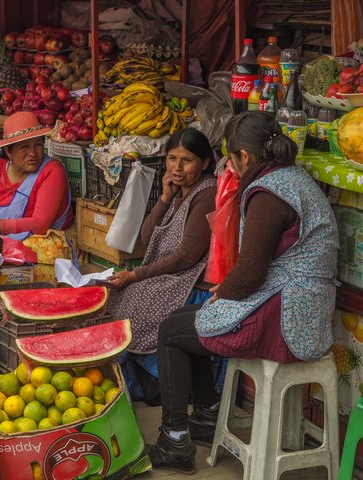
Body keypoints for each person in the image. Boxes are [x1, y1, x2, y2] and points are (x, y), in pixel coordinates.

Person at [147, 110, 339, 474]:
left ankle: (174, 440)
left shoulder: (269, 193)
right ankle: (204, 417)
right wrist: (225, 291)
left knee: (172, 332)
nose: (229, 168)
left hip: (289, 318)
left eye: (230, 160)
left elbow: (250, 274)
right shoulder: (289, 177)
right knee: (181, 320)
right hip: (295, 303)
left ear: (245, 157)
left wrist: (223, 291)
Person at [105, 129, 217, 404]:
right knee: (118, 297)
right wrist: (165, 198)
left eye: (186, 161)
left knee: (136, 303)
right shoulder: (179, 192)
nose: (176, 168)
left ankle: (151, 381)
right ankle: (124, 377)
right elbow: (146, 237)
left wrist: (135, 275)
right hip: (170, 270)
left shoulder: (207, 193)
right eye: (171, 159)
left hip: (189, 277)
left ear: (204, 163)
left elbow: (188, 255)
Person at [0, 111, 73, 240]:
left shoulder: (52, 171)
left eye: (38, 145)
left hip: (38, 248)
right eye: (24, 147)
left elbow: (39, 225)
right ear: (9, 151)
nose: (32, 153)